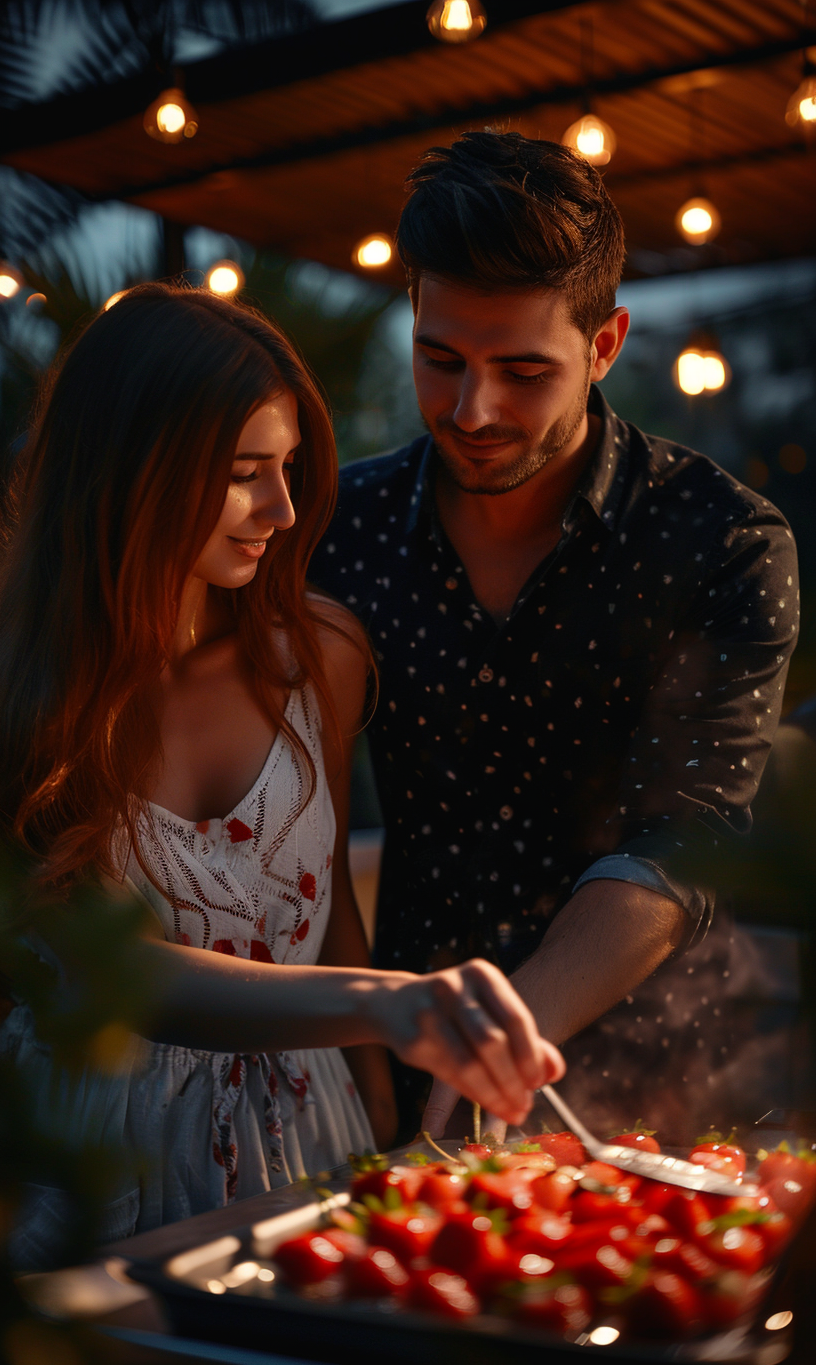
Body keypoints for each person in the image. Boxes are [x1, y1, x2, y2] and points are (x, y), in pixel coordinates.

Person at [0, 282, 563, 1263]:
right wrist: (386, 998)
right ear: (133, 471)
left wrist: (382, 1120)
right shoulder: (26, 690)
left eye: (291, 466)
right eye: (243, 471)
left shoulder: (319, 655)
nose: (286, 507)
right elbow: (110, 970)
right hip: (90, 1168)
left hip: (305, 1139)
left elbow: (328, 897)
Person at [310, 130, 800, 1142]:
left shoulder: (721, 540)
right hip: (407, 1072)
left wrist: (503, 1035)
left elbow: (685, 841)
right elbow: (302, 833)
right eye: (438, 358)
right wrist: (367, 1077)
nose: (472, 408)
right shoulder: (337, 528)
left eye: (523, 370)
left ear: (607, 344)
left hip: (658, 1090)